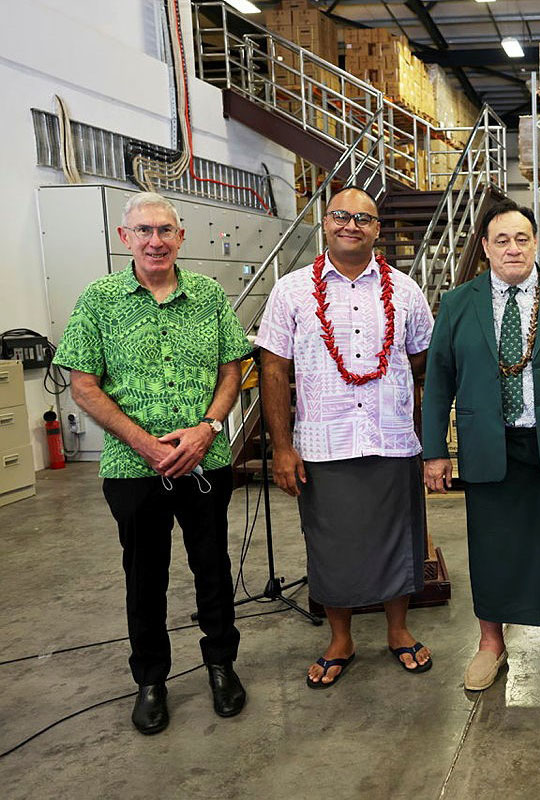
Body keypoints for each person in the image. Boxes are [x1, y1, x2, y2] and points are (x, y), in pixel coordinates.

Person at [53, 191, 252, 734]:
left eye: (165, 230)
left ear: (181, 237)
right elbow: (84, 385)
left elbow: (231, 367)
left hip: (204, 461)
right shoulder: (100, 301)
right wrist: (143, 442)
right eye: (144, 231)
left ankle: (220, 666)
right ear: (125, 239)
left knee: (212, 569)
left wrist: (206, 427)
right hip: (133, 470)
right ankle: (151, 679)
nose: (156, 241)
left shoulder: (209, 297)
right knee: (144, 577)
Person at [422, 199, 540, 692]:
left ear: (535, 244)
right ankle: (491, 642)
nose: (513, 248)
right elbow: (438, 380)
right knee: (491, 547)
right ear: (485, 247)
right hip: (489, 443)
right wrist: (435, 451)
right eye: (501, 240)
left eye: (522, 239)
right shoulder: (458, 302)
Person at [257, 187, 435, 689]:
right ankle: (341, 639)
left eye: (364, 218)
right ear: (325, 222)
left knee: (399, 538)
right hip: (323, 442)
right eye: (341, 215)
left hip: (392, 437)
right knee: (330, 543)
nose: (351, 225)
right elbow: (273, 368)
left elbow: (422, 358)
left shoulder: (406, 291)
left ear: (378, 230)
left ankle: (398, 631)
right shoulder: (291, 290)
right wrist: (284, 447)